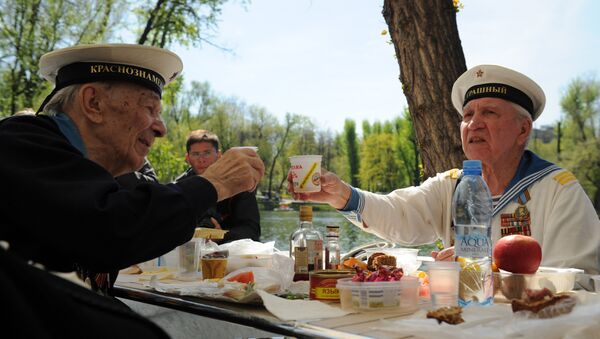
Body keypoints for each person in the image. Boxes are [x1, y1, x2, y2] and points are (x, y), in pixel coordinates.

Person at [289, 65, 600, 287]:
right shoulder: (452, 184)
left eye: (489, 113)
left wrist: (481, 268)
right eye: (467, 115)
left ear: (523, 130)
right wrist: (343, 196)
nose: (474, 123)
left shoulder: (559, 189)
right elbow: (401, 215)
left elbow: (578, 282)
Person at [0, 43, 264, 295]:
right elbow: (109, 230)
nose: (161, 128)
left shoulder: (86, 172)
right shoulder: (16, 144)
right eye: (150, 108)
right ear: (94, 103)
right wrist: (214, 183)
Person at [175, 129, 261, 243]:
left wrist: (220, 235)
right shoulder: (179, 187)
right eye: (196, 154)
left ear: (219, 155)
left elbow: (252, 231)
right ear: (187, 158)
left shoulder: (239, 184)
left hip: (232, 253)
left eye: (207, 153)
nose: (201, 159)